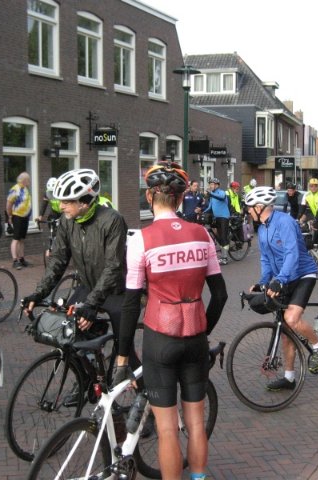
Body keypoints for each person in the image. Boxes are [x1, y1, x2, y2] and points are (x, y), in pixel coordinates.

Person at [113, 161, 227, 480]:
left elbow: (131, 303)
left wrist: (122, 357)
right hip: (195, 338)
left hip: (160, 338)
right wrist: (203, 332)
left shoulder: (141, 239)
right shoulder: (202, 234)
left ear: (150, 197)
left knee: (166, 430)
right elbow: (220, 296)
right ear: (179, 199)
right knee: (195, 423)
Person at [22, 168, 139, 368]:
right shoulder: (67, 222)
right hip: (88, 286)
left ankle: (138, 381)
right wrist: (39, 293)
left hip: (117, 291)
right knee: (68, 337)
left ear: (84, 202)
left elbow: (113, 267)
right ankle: (88, 377)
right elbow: (58, 259)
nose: (61, 206)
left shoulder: (112, 220)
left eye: (67, 202)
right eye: (61, 201)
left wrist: (91, 305)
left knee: (124, 350)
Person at [245, 186, 318, 390]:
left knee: (291, 319)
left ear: (259, 207)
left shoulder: (285, 222)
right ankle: (289, 378)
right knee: (285, 331)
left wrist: (279, 279)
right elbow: (265, 258)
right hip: (284, 278)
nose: (248, 211)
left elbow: (292, 254)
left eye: (249, 208)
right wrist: (264, 281)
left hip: (303, 274)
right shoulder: (262, 229)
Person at [6, 171, 32, 270]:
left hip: (25, 217)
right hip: (17, 216)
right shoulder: (15, 189)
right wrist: (10, 216)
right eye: (28, 179)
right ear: (24, 180)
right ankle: (15, 260)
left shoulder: (25, 189)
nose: (29, 181)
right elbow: (8, 204)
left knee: (21, 239)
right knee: (16, 239)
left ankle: (21, 258)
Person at [203, 178, 230, 265]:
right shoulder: (212, 195)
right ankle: (223, 253)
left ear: (217, 185)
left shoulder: (221, 192)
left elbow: (222, 197)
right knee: (219, 237)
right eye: (210, 184)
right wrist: (202, 212)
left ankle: (225, 258)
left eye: (212, 184)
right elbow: (210, 207)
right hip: (216, 218)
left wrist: (211, 194)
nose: (211, 186)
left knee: (223, 237)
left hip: (224, 217)